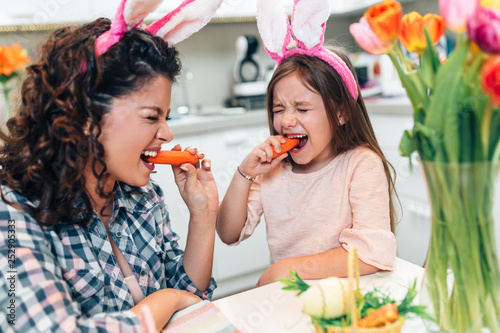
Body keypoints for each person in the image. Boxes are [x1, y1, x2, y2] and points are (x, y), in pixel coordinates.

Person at [0, 15, 219, 333]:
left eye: (166, 117)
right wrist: (164, 302)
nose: (167, 134)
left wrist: (204, 215)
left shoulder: (142, 196)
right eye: (151, 117)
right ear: (86, 116)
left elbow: (191, 304)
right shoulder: (13, 213)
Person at [216, 0, 398, 287]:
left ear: (341, 112)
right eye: (278, 109)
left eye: (301, 109)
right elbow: (228, 232)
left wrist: (285, 270)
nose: (287, 121)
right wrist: (244, 173)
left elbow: (369, 254)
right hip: (291, 300)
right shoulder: (272, 170)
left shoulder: (360, 164)